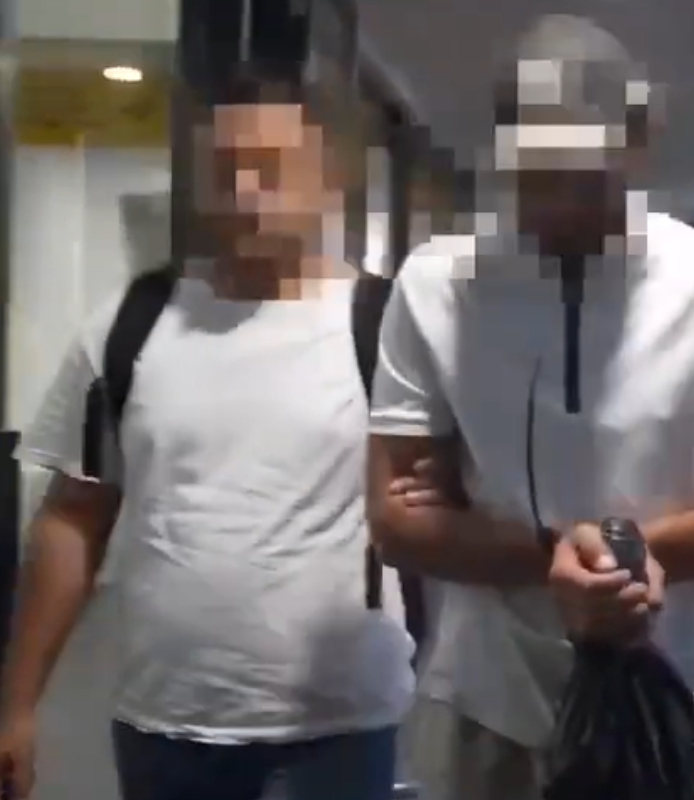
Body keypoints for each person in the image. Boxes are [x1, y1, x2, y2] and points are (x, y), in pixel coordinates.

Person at [364, 14, 694, 800]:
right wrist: (563, 560)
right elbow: (397, 523)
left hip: (674, 709)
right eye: (538, 179)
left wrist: (607, 563)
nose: (563, 207)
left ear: (639, 143)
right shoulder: (438, 284)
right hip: (488, 709)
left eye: (589, 179)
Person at [0, 70, 414, 800]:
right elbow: (73, 517)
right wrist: (17, 705)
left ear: (329, 179)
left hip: (337, 730)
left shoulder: (387, 330)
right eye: (227, 170)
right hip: (165, 727)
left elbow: (440, 500)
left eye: (272, 169)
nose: (247, 192)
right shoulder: (132, 323)